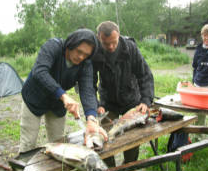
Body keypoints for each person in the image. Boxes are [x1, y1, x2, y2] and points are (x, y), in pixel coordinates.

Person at [19, 28, 108, 153]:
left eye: (86, 55)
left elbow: (87, 90)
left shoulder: (86, 64)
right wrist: (63, 95)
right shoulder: (53, 47)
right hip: (34, 98)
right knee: (28, 143)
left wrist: (91, 118)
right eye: (79, 51)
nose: (81, 57)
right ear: (71, 44)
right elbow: (39, 72)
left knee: (57, 144)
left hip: (57, 103)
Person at [92, 21, 154, 167]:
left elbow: (145, 75)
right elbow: (89, 82)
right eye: (106, 44)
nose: (111, 47)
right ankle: (110, 167)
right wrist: (97, 104)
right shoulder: (95, 52)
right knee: (104, 137)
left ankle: (129, 166)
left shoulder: (130, 48)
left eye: (114, 42)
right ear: (99, 38)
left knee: (132, 139)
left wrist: (145, 100)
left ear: (118, 36)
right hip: (108, 102)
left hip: (131, 100)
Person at [192, 23, 208, 126]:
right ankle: (198, 136)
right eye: (204, 35)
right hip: (198, 86)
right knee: (199, 113)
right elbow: (195, 66)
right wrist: (193, 82)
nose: (206, 38)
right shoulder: (199, 48)